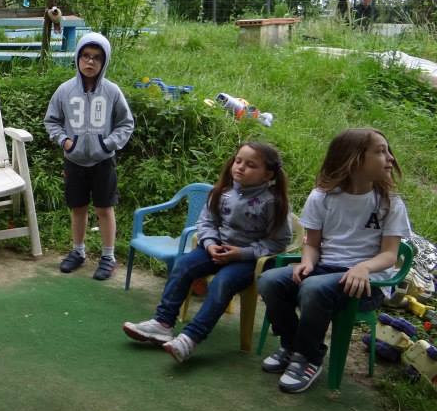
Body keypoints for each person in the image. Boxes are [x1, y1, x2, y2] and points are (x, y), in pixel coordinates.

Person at [258, 127, 412, 393]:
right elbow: (312, 243)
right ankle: (293, 345)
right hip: (324, 269)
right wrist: (307, 260)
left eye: (388, 151)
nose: (390, 158)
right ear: (353, 159)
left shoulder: (390, 203)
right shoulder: (322, 196)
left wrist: (363, 266)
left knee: (314, 287)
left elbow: (389, 254)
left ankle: (309, 358)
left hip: (366, 283)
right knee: (271, 280)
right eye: (380, 151)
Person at [122, 142, 292, 362]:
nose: (239, 167)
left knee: (222, 282)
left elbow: (279, 242)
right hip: (215, 250)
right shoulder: (222, 191)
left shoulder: (273, 202)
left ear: (268, 174)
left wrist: (241, 253)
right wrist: (210, 243)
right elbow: (206, 223)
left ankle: (190, 339)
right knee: (184, 265)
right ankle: (163, 324)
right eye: (238, 160)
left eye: (250, 165)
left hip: (247, 260)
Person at [43, 32, 135, 280]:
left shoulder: (112, 91)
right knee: (78, 208)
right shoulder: (64, 91)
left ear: (104, 62)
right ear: (78, 58)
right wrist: (65, 141)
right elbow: (51, 121)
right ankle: (78, 251)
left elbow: (126, 124)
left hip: (103, 160)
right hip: (74, 160)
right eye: (85, 56)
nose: (90, 62)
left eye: (96, 57)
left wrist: (108, 144)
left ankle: (108, 256)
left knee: (104, 208)